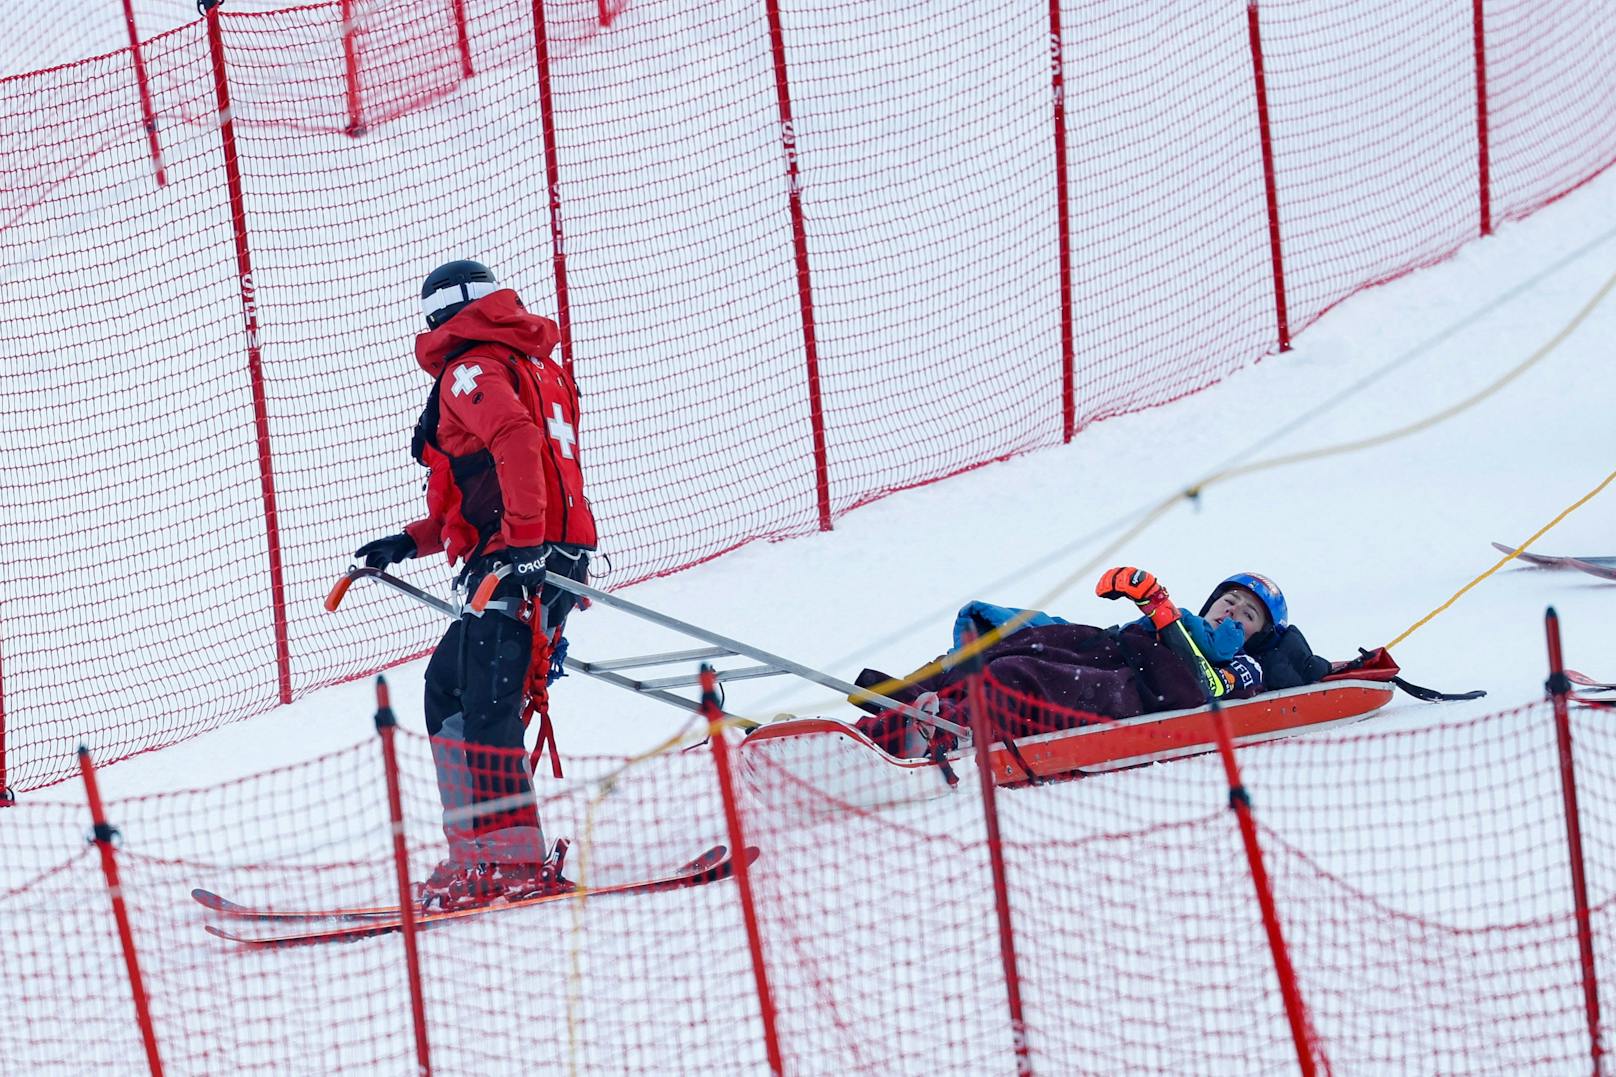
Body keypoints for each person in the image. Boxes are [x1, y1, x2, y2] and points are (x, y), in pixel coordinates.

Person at [353, 259, 597, 910]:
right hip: (544, 550)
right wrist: (412, 538)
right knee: (452, 685)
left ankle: (510, 863)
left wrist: (521, 543)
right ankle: (478, 853)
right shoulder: (531, 361)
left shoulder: (472, 368)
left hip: (518, 559)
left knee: (486, 698)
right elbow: (484, 482)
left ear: (439, 317)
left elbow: (515, 443)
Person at [853, 567, 1331, 757]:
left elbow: (1203, 686)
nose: (1233, 612)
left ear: (1260, 634)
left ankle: (938, 732)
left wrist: (1160, 612)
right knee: (1007, 645)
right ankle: (896, 713)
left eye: (1248, 614)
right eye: (1229, 600)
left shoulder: (1249, 666)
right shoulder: (1181, 623)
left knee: (1017, 677)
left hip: (1135, 689)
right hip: (1110, 650)